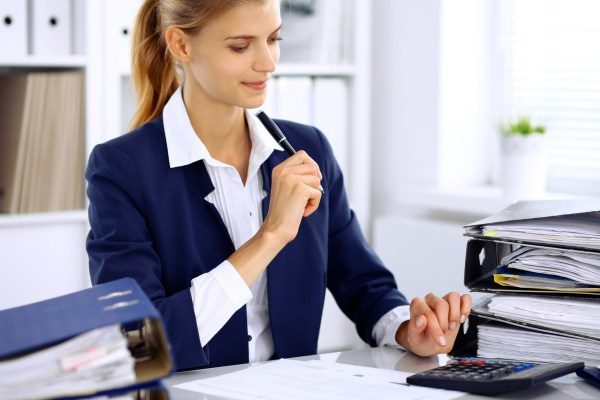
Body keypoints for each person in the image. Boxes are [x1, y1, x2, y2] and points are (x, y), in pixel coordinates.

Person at [86, 0, 471, 371]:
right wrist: (270, 236)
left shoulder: (308, 149)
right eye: (240, 46)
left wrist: (408, 330)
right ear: (181, 44)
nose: (267, 63)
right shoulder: (121, 169)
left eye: (273, 39)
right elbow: (138, 341)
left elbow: (365, 284)